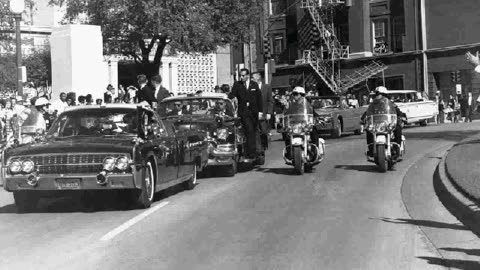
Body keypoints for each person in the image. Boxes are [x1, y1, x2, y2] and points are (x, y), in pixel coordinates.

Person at [229, 68, 263, 159]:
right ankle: (250, 152)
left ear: (248, 76)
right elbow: (232, 95)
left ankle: (257, 150)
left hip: (254, 112)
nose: (242, 77)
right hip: (243, 112)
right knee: (249, 129)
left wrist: (260, 112)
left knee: (255, 130)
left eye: (244, 75)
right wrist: (230, 97)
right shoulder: (237, 84)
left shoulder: (254, 85)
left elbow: (259, 99)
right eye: (241, 75)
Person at [362, 86, 405, 157]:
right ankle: (371, 147)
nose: (379, 95)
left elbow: (397, 110)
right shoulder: (373, 105)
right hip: (377, 124)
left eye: (380, 94)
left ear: (385, 95)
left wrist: (402, 116)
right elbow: (367, 112)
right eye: (377, 94)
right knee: (368, 130)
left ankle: (397, 146)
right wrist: (363, 118)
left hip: (388, 123)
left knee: (398, 128)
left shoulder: (391, 104)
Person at [283, 86, 319, 158]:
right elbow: (286, 114)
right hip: (294, 125)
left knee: (314, 131)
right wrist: (283, 120)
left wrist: (317, 118)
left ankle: (314, 151)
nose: (294, 96)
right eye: (293, 94)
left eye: (296, 94)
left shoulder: (308, 105)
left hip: (304, 125)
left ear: (302, 95)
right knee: (286, 133)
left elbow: (313, 113)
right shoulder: (291, 105)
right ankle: (289, 151)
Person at [252, 71, 273, 149]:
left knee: (263, 131)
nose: (252, 80)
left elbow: (270, 101)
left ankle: (264, 145)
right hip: (254, 114)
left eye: (253, 78)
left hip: (263, 114)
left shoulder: (266, 87)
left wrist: (269, 113)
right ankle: (256, 148)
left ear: (258, 78)